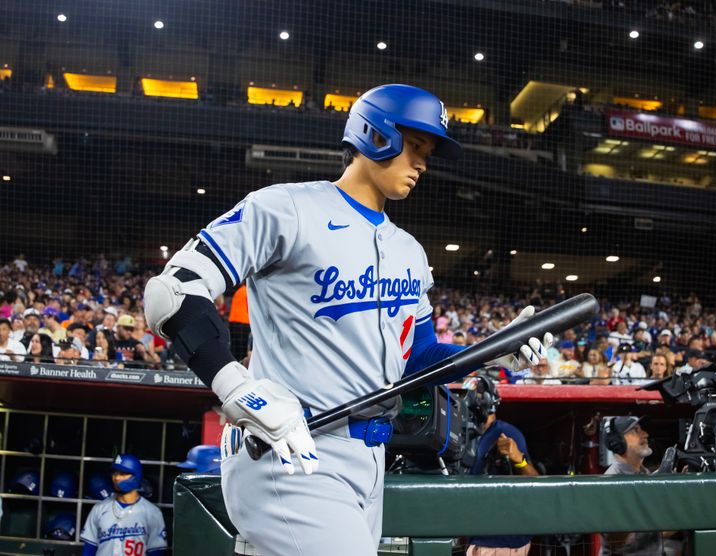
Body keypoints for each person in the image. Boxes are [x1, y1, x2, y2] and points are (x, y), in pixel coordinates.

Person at [143, 83, 552, 554]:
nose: (422, 162)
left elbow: (419, 360)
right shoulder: (288, 208)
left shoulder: (410, 252)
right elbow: (170, 294)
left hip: (371, 459)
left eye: (429, 152)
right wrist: (239, 390)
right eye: (415, 146)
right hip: (290, 450)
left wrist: (488, 351)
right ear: (376, 135)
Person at [464, 374, 537, 556]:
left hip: (503, 540)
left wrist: (518, 460)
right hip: (476, 533)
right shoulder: (466, 433)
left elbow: (536, 484)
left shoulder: (507, 432)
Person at [602, 417, 683, 555]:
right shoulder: (611, 480)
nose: (645, 434)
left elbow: (656, 532)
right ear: (618, 443)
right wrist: (653, 494)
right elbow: (622, 542)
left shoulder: (644, 473)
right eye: (635, 431)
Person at [80, 454, 167, 556]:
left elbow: (156, 552)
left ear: (136, 476)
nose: (117, 478)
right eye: (114, 473)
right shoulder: (99, 509)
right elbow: (88, 550)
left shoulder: (152, 512)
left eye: (123, 474)